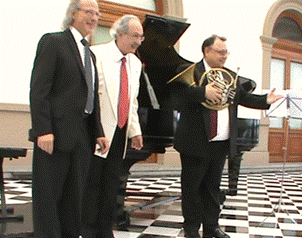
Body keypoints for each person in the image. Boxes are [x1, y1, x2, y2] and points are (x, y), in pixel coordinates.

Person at [171, 35, 283, 238]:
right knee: (192, 189)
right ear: (206, 51)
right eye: (220, 52)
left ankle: (212, 226)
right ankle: (191, 230)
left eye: (226, 52)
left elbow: (243, 98)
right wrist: (202, 92)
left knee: (213, 188)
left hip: (220, 142)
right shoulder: (188, 72)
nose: (224, 56)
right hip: (195, 142)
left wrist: (265, 100)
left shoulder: (229, 75)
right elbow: (176, 99)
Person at [29, 0, 109, 237]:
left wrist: (98, 131)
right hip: (54, 134)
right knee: (48, 197)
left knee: (74, 200)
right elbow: (39, 89)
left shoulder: (90, 54)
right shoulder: (53, 42)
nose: (95, 17)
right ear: (73, 14)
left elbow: (91, 95)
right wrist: (43, 129)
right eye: (89, 12)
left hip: (82, 137)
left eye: (97, 13)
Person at [82, 15, 144, 237]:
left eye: (141, 37)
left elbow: (132, 100)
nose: (138, 41)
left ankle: (104, 229)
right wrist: (96, 130)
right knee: (93, 183)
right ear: (119, 34)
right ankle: (88, 230)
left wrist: (135, 131)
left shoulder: (135, 63)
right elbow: (91, 96)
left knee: (111, 184)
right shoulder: (97, 54)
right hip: (99, 131)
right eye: (134, 36)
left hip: (120, 130)